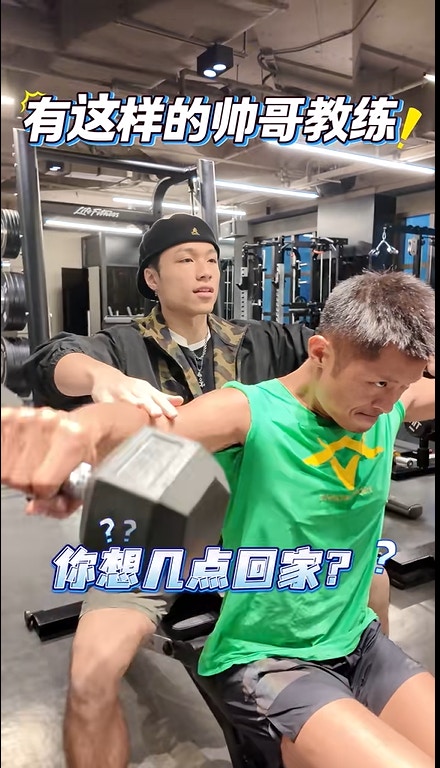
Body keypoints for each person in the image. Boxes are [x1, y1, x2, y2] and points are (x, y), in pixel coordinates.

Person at [2, 269, 435, 768]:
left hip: (355, 640)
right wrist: (81, 428)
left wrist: (397, 381)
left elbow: (404, 388)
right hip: (263, 647)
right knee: (92, 671)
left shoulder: (379, 399)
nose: (387, 402)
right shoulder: (243, 409)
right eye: (378, 383)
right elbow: (150, 424)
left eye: (401, 385)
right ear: (320, 353)